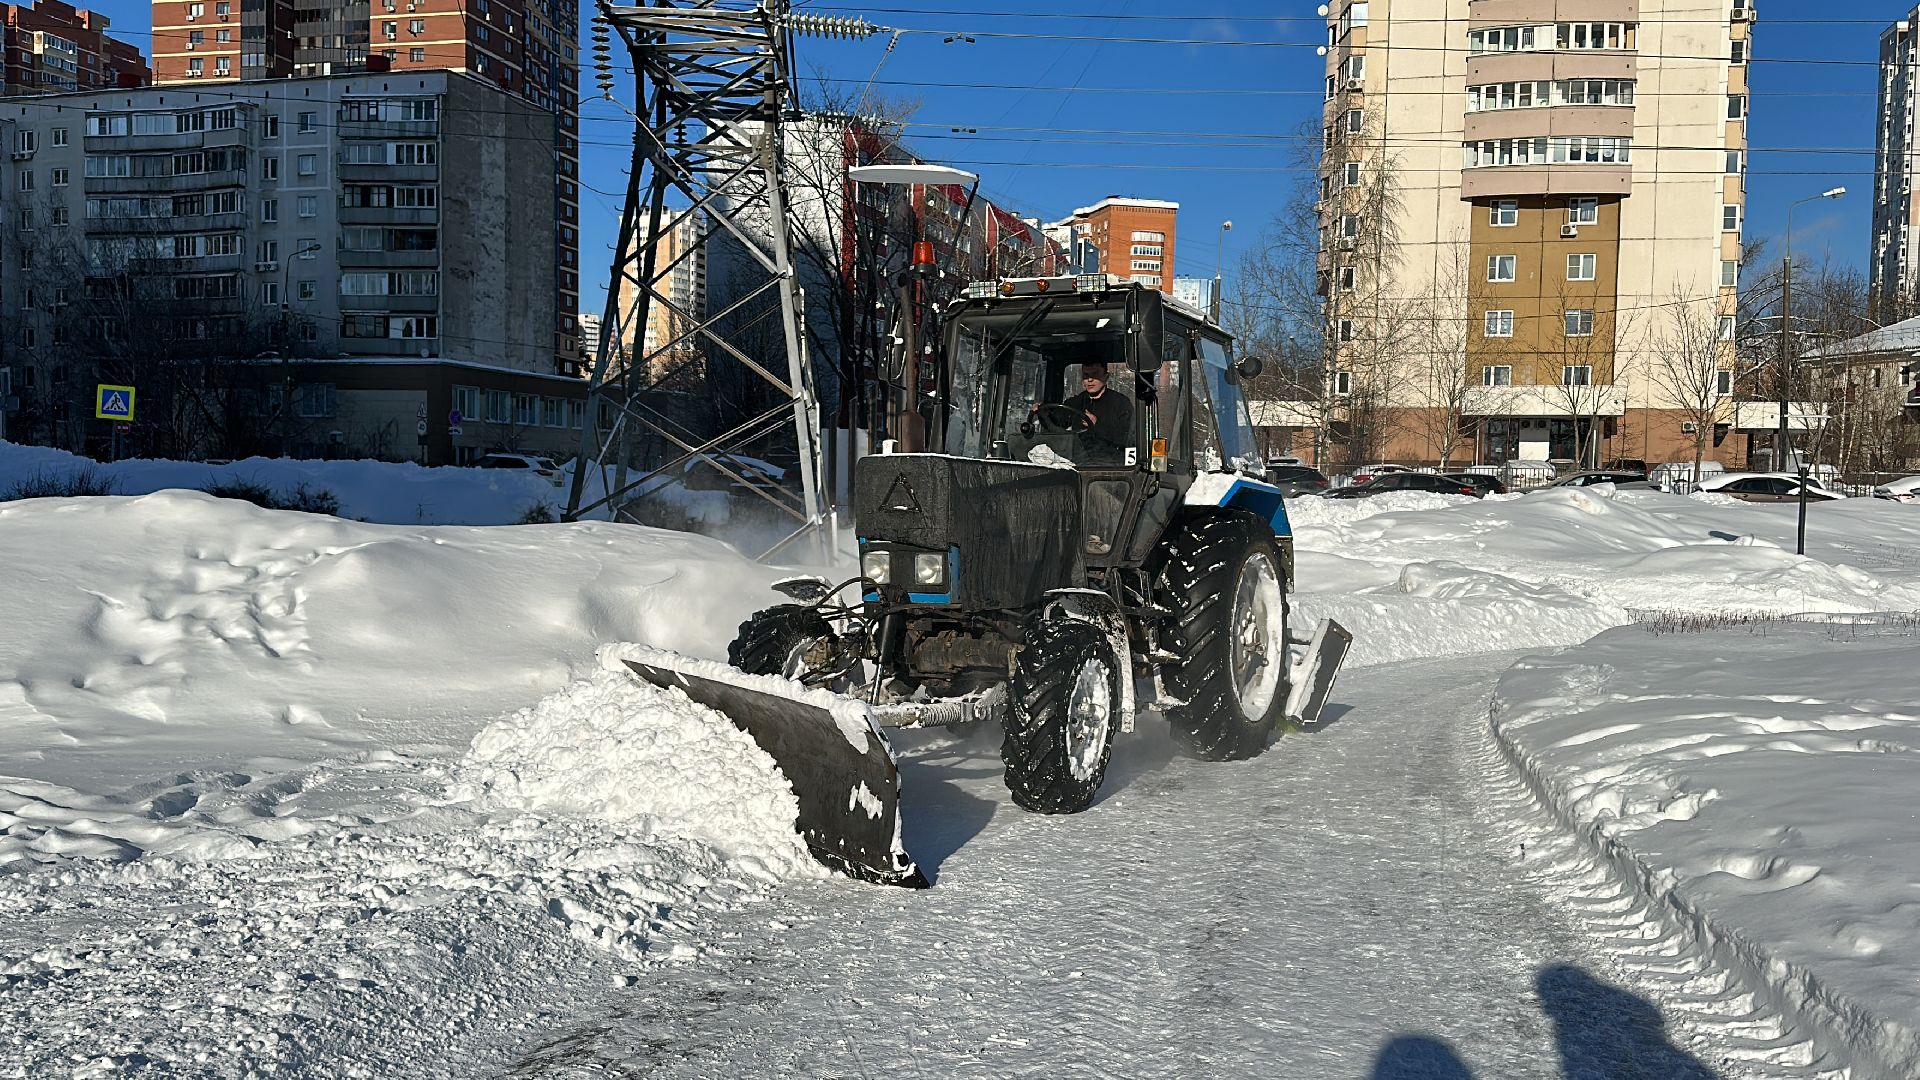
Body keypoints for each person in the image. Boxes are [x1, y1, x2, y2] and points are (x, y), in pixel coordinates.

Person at [1062, 360, 1133, 463]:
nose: (1090, 380)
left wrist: (1097, 424)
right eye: (1086, 375)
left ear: (1106, 377)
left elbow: (1128, 438)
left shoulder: (1121, 404)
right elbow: (1056, 424)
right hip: (1078, 462)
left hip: (1112, 464)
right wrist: (1042, 413)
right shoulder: (1074, 403)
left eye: (1095, 375)